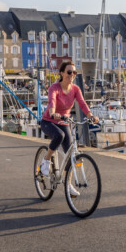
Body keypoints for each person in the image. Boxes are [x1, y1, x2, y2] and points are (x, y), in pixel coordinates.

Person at [39, 62, 98, 196]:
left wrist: (91, 115)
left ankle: (68, 184)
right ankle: (46, 161)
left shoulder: (76, 89)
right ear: (62, 73)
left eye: (74, 72)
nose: (72, 75)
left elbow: (82, 103)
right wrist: (53, 112)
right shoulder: (54, 88)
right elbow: (52, 102)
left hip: (64, 122)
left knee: (71, 154)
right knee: (59, 135)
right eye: (69, 72)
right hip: (48, 121)